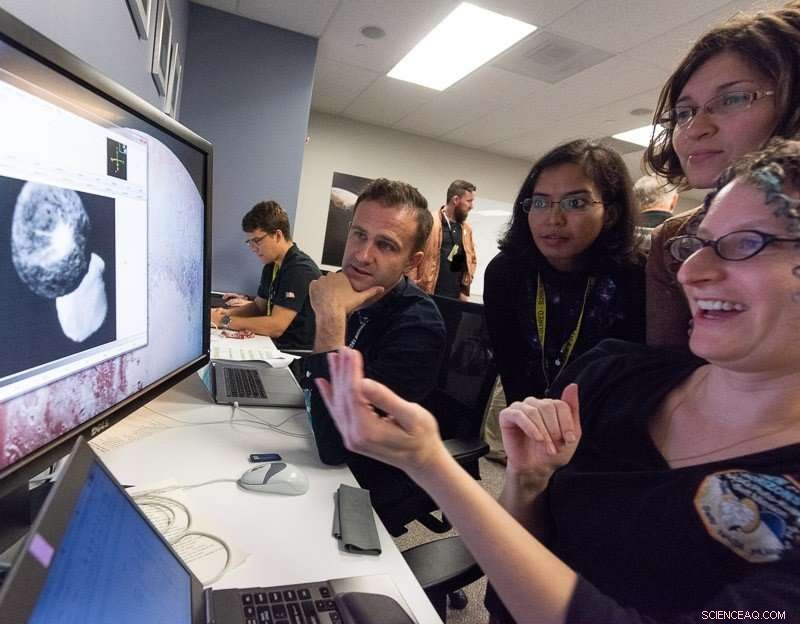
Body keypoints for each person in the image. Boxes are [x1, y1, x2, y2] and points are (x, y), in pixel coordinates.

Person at [315, 138, 800, 623]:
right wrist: (526, 482)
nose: (691, 272)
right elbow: (519, 557)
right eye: (697, 245)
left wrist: (427, 462)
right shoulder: (616, 372)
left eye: (746, 243)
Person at [643, 1, 800, 350]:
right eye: (684, 112)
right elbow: (665, 365)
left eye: (732, 99)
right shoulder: (672, 238)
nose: (695, 128)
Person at [303, 178, 446, 526]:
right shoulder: (351, 291)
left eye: (385, 244)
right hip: (314, 441)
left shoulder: (419, 326)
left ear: (412, 262)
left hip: (366, 478)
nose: (362, 255)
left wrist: (331, 319)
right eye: (359, 234)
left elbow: (335, 446)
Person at [483, 139, 645, 405]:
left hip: (606, 428)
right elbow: (511, 366)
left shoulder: (637, 278)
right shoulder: (506, 272)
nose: (553, 219)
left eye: (575, 203)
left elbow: (634, 387)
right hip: (531, 417)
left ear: (611, 214)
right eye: (539, 203)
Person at [210, 200, 320, 349]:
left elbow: (276, 326)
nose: (253, 248)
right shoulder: (271, 265)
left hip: (293, 355)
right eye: (249, 242)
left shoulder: (300, 270)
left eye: (257, 241)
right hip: (272, 345)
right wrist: (226, 313)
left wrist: (224, 321)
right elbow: (258, 307)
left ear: (277, 235)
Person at [411, 179, 478, 300]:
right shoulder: (429, 221)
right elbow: (412, 253)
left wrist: (464, 289)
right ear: (456, 200)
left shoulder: (466, 230)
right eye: (469, 201)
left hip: (454, 298)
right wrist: (412, 285)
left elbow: (471, 260)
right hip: (427, 295)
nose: (471, 206)